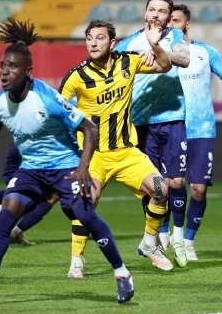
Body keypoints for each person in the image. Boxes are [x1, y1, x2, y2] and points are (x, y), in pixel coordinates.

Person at [0, 18, 133, 307]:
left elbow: (90, 129)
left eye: (12, 67)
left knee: (85, 215)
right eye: (3, 66)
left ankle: (122, 274)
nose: (4, 72)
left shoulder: (47, 99)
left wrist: (82, 167)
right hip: (30, 170)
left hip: (65, 167)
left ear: (28, 72)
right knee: (4, 219)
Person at [73, 0, 190, 265]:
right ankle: (153, 240)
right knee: (148, 187)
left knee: (172, 183)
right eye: (152, 10)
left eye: (162, 11)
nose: (156, 15)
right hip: (136, 123)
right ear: (145, 12)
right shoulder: (129, 45)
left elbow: (183, 60)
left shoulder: (174, 35)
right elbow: (109, 63)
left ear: (169, 16)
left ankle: (164, 239)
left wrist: (157, 49)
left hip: (170, 117)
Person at [59, 18, 174, 277]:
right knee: (87, 200)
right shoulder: (76, 77)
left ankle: (149, 244)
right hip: (94, 155)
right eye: (89, 38)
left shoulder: (128, 61)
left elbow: (165, 65)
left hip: (126, 152)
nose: (93, 43)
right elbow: (56, 110)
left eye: (99, 38)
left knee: (161, 189)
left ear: (112, 43)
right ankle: (76, 260)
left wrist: (154, 46)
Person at [159, 4, 222, 259]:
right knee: (167, 184)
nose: (171, 25)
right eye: (168, 21)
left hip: (201, 128)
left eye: (176, 20)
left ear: (187, 24)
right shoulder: (160, 54)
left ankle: (188, 240)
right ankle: (163, 232)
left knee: (198, 188)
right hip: (172, 126)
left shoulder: (205, 52)